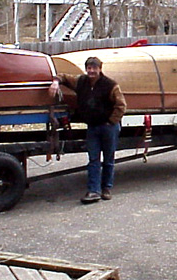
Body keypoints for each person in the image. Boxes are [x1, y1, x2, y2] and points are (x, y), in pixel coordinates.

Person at [49, 56, 127, 204]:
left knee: (109, 159)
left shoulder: (110, 85)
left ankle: (107, 188)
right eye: (89, 68)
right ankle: (93, 190)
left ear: (100, 69)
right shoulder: (81, 82)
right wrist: (55, 82)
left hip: (108, 127)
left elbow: (121, 105)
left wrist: (111, 122)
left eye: (94, 68)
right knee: (93, 160)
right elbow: (64, 77)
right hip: (93, 127)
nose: (91, 71)